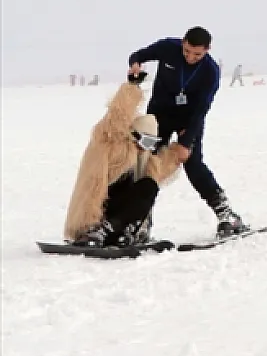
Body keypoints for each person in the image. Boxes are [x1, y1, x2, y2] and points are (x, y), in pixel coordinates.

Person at [127, 27, 246, 237]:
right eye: (187, 51)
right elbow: (139, 55)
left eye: (197, 54)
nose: (191, 57)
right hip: (158, 117)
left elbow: (202, 109)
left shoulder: (211, 71)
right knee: (147, 166)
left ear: (207, 50)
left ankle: (227, 214)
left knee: (193, 164)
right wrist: (135, 64)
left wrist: (186, 141)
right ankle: (141, 222)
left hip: (188, 121)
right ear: (182, 43)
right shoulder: (168, 47)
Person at [62, 71, 186, 247]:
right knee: (133, 184)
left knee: (149, 185)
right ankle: (98, 232)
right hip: (94, 219)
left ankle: (126, 232)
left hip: (117, 220)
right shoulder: (110, 143)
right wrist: (132, 87)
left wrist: (183, 146)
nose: (147, 147)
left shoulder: (144, 158)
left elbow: (163, 168)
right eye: (145, 140)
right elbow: (117, 116)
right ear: (133, 135)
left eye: (153, 142)